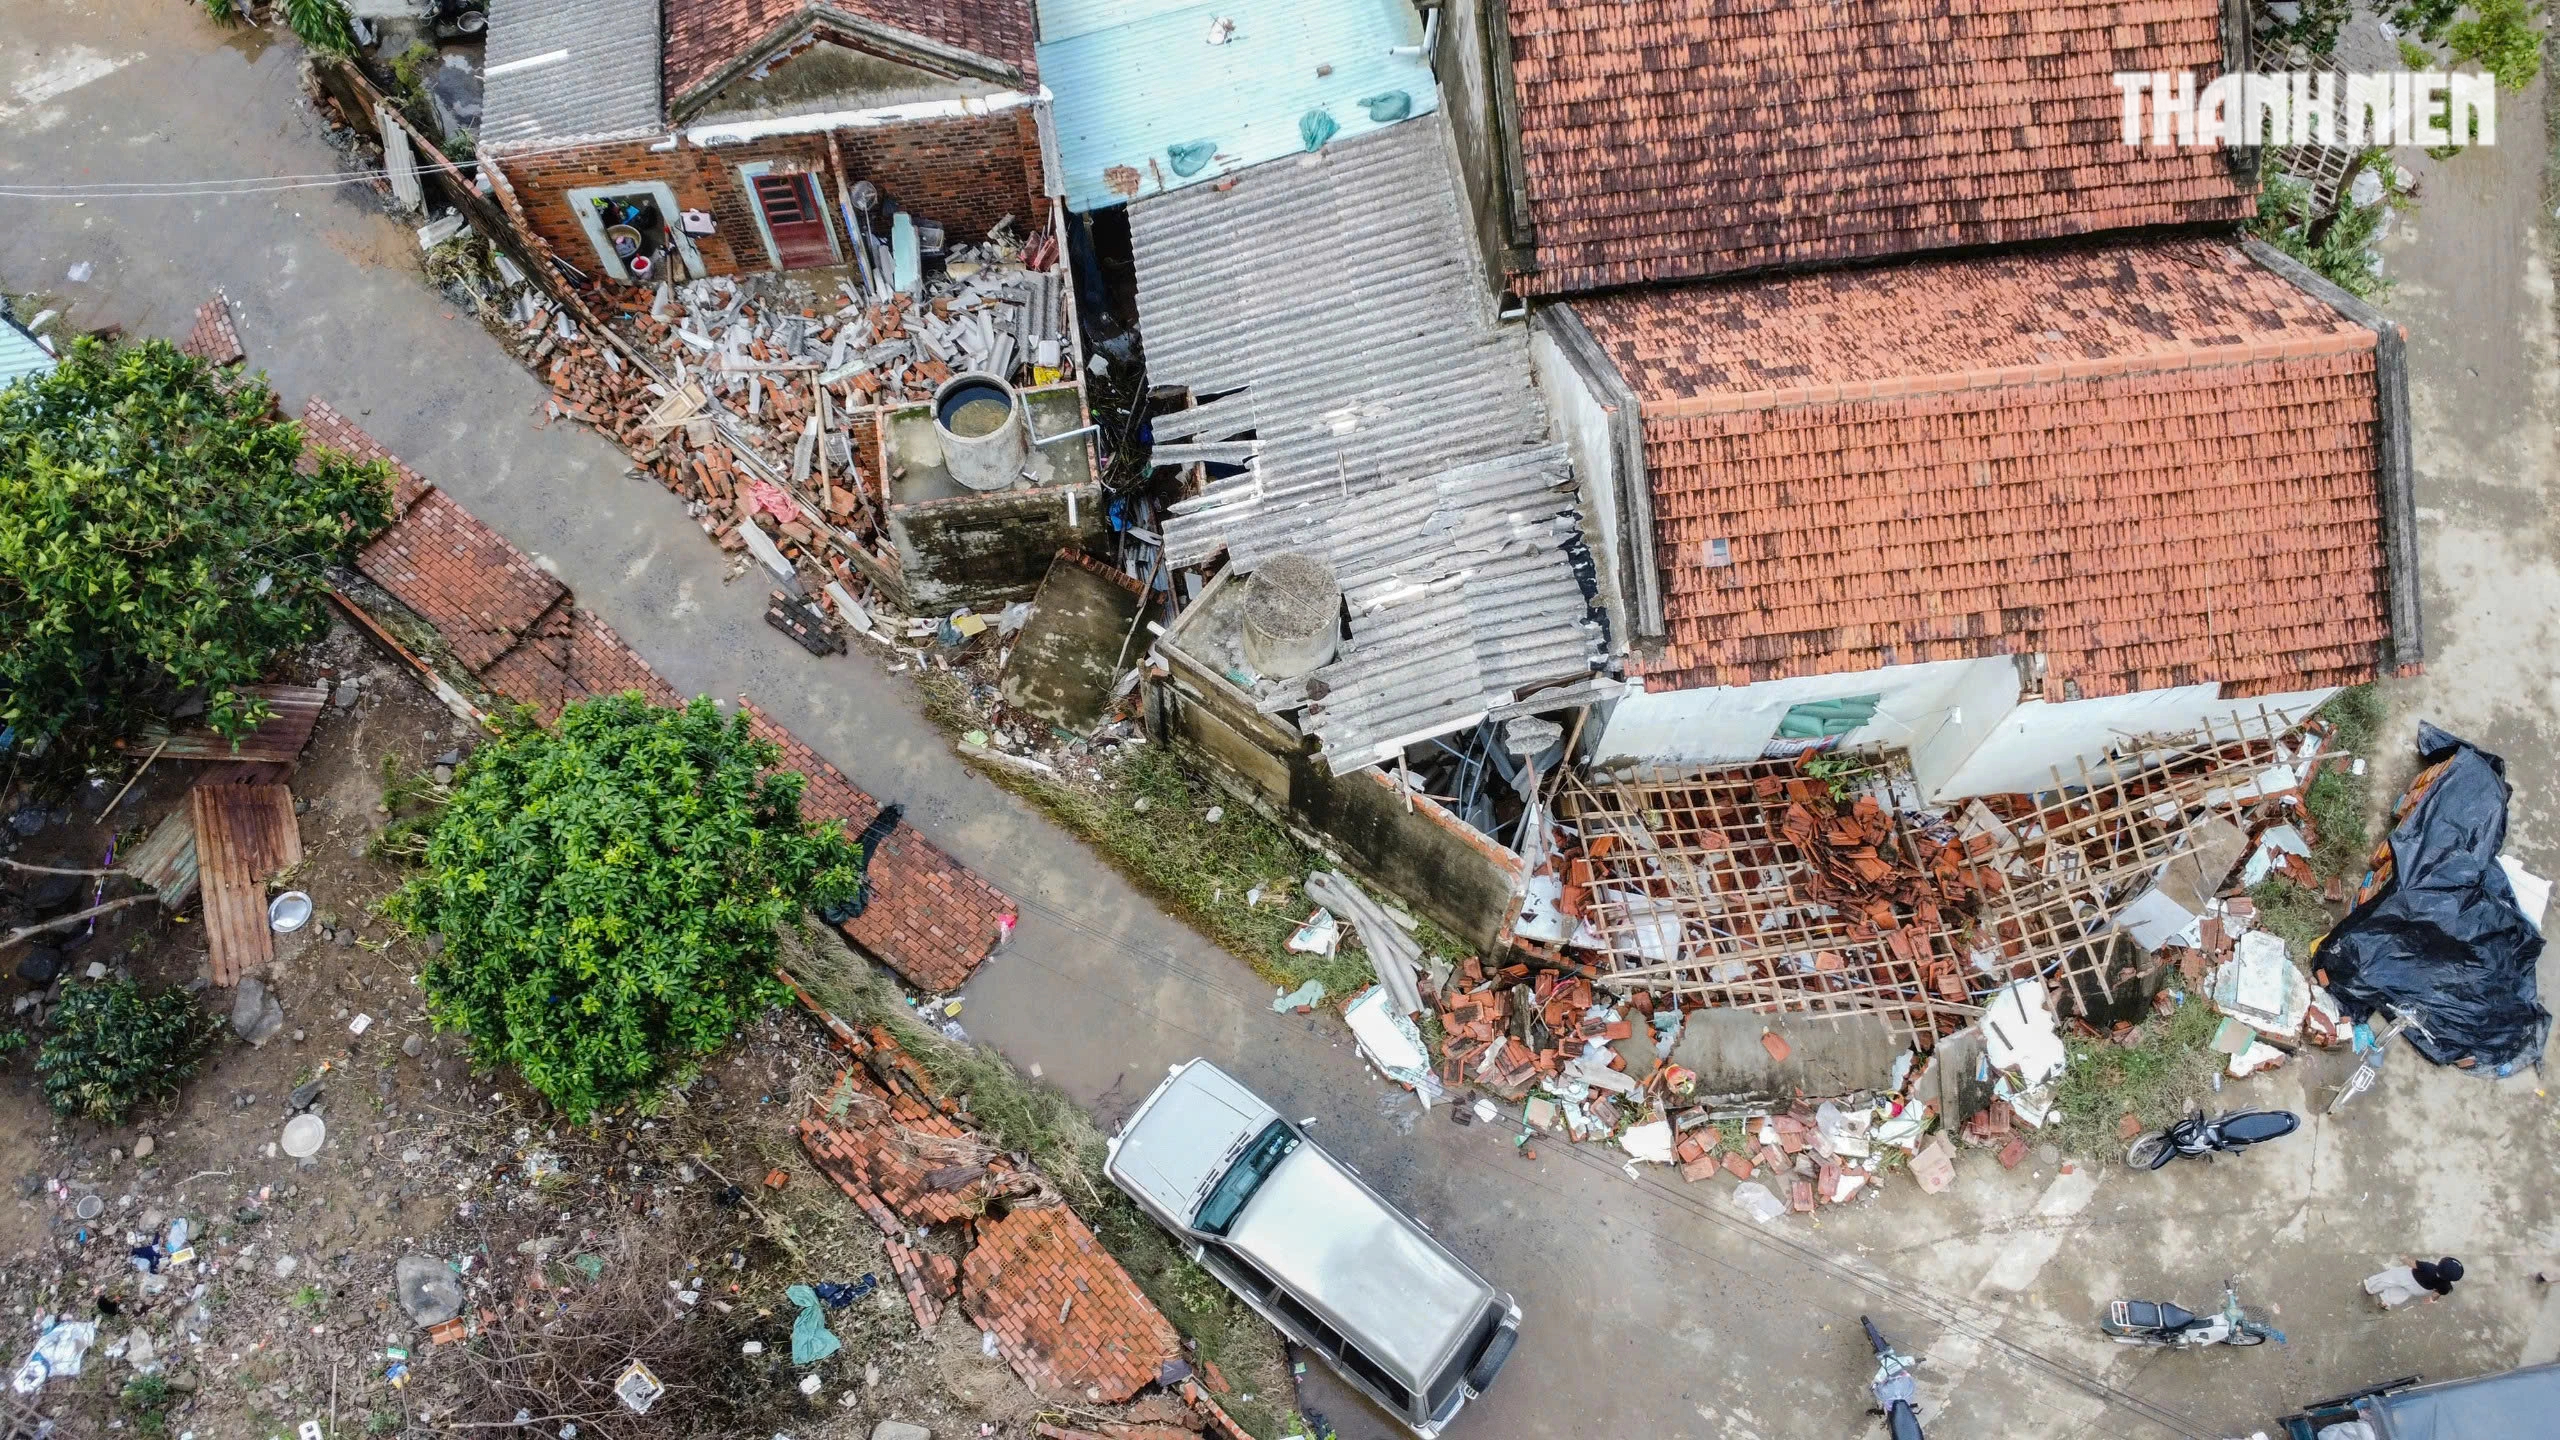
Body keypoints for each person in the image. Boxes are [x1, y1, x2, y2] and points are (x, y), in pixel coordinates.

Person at [2363, 1256, 2463, 1308]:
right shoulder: (2445, 1286)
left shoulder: (2429, 1267)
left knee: (2389, 1278)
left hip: (2408, 1276)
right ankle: (2386, 1301)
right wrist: (2432, 1299)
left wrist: (2404, 1258)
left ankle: (2370, 1287)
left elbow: (2412, 1264)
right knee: (2402, 1292)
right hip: (2419, 1289)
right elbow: (2436, 1293)